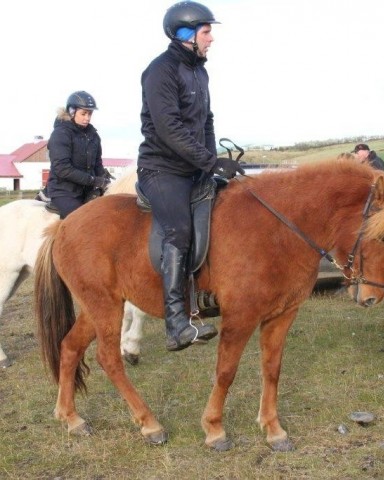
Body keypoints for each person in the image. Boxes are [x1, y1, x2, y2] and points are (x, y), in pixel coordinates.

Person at [136, 1, 243, 352]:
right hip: (161, 169)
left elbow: (205, 121)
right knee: (178, 231)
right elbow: (169, 130)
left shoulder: (200, 71)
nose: (212, 38)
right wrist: (209, 162)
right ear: (185, 34)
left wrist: (212, 161)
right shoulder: (159, 71)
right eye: (206, 31)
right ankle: (176, 324)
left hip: (193, 167)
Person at [46, 91, 109, 219]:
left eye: (90, 114)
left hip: (87, 190)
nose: (87, 118)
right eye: (83, 113)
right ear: (72, 111)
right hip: (64, 192)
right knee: (80, 221)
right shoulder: (60, 134)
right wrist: (94, 180)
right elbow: (62, 169)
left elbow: (97, 165)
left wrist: (107, 180)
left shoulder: (93, 136)